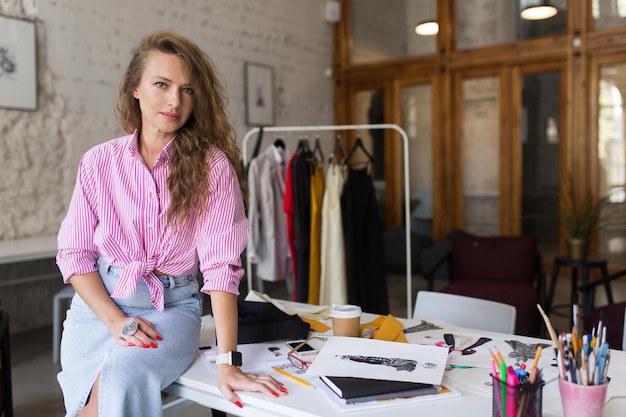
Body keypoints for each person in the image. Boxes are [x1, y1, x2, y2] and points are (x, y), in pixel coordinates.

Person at [56, 31, 286, 417]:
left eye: (187, 90)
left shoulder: (213, 168)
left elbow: (221, 271)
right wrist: (116, 321)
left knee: (120, 378)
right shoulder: (98, 163)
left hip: (171, 309)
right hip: (98, 309)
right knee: (90, 400)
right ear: (135, 88)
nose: (175, 100)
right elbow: (75, 255)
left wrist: (228, 362)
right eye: (161, 85)